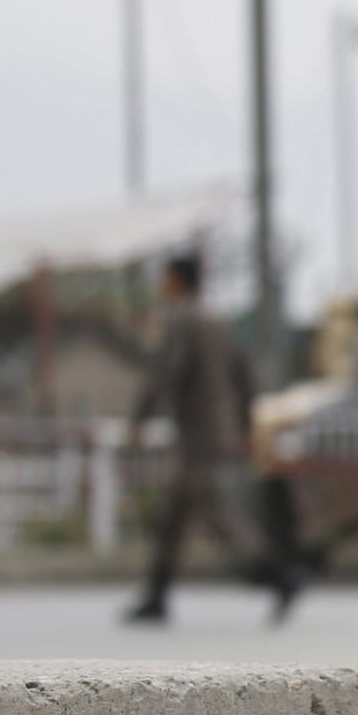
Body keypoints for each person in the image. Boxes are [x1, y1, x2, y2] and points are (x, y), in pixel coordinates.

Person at [124, 251, 300, 624]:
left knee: (223, 522)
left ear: (176, 280)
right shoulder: (215, 322)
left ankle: (279, 577)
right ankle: (156, 595)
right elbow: (245, 375)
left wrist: (140, 418)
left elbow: (166, 371)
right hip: (216, 434)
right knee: (173, 519)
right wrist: (245, 425)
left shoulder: (182, 320)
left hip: (200, 439)